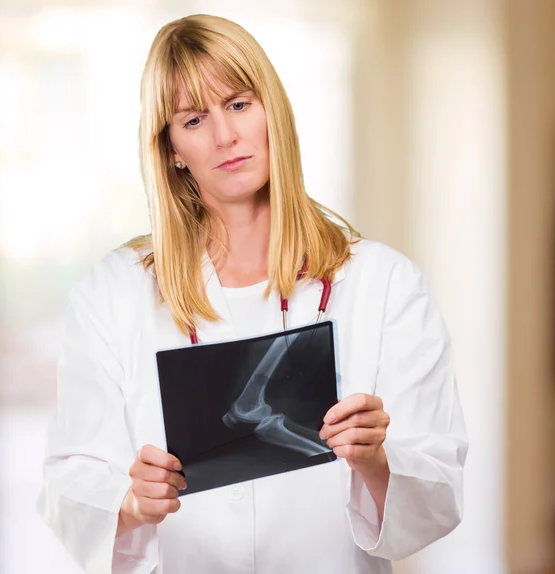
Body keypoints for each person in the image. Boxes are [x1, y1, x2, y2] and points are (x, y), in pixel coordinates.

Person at [37, 13, 468, 574]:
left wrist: (376, 461)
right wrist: (129, 504)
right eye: (194, 119)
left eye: (239, 104)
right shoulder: (114, 292)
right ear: (170, 148)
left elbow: (439, 486)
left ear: (272, 111)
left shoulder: (384, 283)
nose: (225, 136)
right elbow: (68, 478)